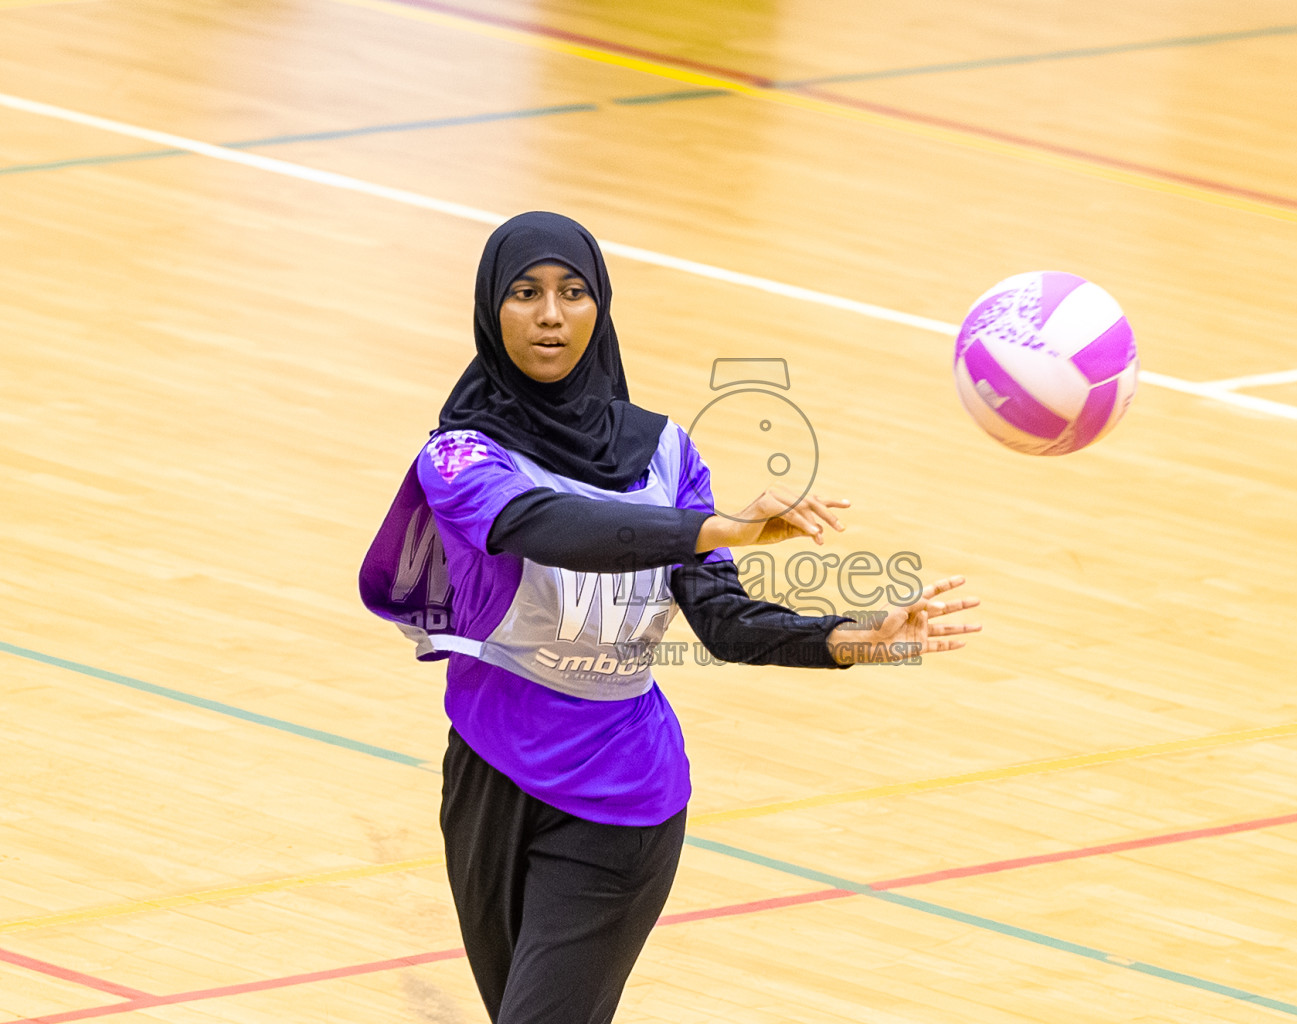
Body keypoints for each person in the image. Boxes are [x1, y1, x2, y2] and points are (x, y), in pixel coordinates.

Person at [360, 211, 979, 1024]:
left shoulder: (666, 454)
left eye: (574, 293)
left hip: (621, 798)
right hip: (487, 778)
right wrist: (711, 527)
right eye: (525, 293)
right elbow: (550, 526)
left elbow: (720, 617)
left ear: (601, 307)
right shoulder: (463, 455)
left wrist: (851, 637)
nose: (551, 315)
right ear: (490, 308)